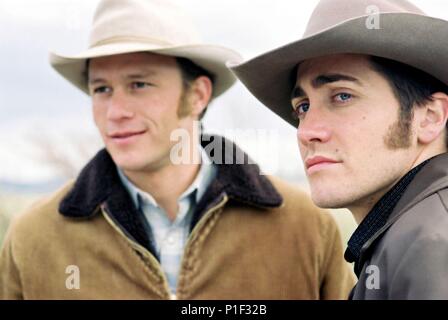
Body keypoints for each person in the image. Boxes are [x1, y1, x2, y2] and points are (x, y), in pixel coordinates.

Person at [0, 0, 354, 299]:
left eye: (139, 84)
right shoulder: (34, 239)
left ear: (198, 95)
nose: (116, 111)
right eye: (102, 89)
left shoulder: (305, 228)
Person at [232, 0, 448, 299]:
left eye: (343, 96)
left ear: (430, 117)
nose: (307, 132)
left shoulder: (429, 245)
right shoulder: (405, 238)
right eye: (303, 107)